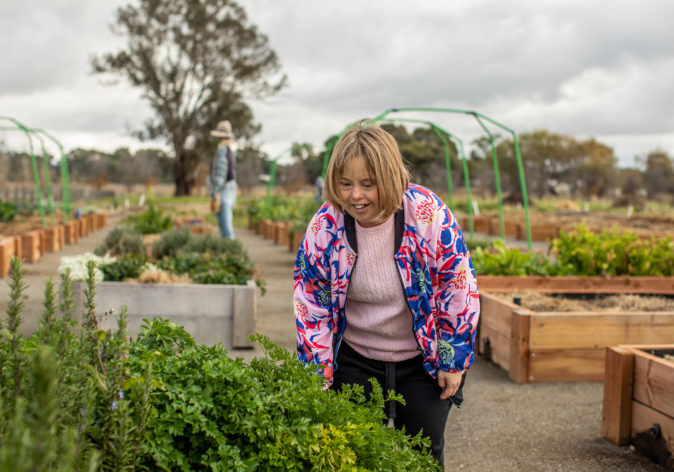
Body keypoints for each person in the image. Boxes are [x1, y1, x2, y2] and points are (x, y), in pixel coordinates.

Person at [293, 120, 480, 470]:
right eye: (345, 184)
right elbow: (311, 300)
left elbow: (458, 287)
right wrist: (317, 371)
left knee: (423, 457)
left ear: (391, 178)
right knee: (356, 457)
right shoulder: (326, 224)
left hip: (422, 361)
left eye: (368, 184)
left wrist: (451, 361)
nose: (355, 196)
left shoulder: (427, 214)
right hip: (355, 359)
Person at [209, 120, 237, 238]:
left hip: (224, 190)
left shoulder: (222, 150)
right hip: (231, 188)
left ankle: (232, 253)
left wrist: (215, 190)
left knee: (226, 228)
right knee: (227, 224)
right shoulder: (231, 149)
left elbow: (221, 172)